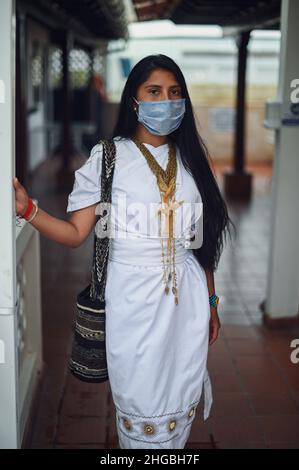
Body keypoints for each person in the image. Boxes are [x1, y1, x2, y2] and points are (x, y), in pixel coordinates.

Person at [13, 54, 235, 449]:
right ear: (134, 100)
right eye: (154, 92)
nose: (166, 101)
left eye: (174, 92)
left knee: (179, 395)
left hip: (186, 304)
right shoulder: (108, 157)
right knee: (139, 404)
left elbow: (201, 244)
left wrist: (212, 302)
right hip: (131, 299)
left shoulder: (192, 161)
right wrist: (28, 210)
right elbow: (76, 232)